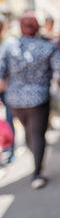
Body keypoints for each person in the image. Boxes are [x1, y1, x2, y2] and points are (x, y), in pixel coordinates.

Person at [0, 11, 60, 189]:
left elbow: (1, 70)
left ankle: (35, 163)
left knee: (30, 133)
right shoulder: (47, 47)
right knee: (37, 135)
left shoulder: (9, 46)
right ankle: (37, 174)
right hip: (38, 98)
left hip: (15, 100)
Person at [0, 16, 15, 164]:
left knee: (9, 119)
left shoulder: (8, 44)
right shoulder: (9, 44)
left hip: (7, 88)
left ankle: (10, 149)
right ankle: (8, 148)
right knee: (8, 119)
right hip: (6, 87)